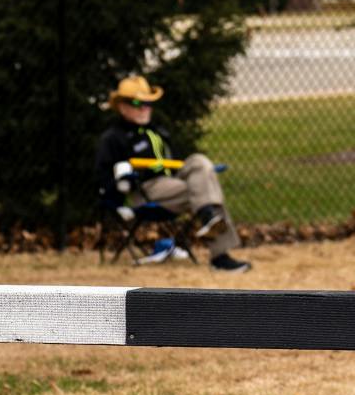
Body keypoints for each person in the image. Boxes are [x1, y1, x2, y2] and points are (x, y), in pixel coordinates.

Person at [95, 75, 251, 273]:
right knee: (203, 189)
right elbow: (106, 176)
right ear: (123, 107)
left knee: (200, 162)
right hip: (145, 190)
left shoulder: (157, 131)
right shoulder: (114, 138)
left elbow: (175, 163)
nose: (144, 108)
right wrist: (117, 198)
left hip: (172, 183)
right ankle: (219, 255)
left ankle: (208, 217)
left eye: (148, 103)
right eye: (137, 103)